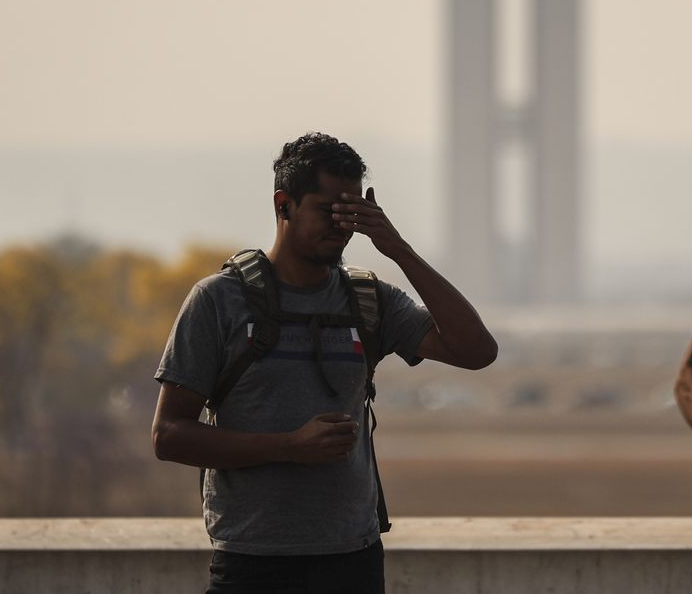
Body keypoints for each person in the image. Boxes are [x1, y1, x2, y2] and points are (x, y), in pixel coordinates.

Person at [151, 133, 498, 593]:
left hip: (352, 560)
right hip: (253, 563)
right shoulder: (220, 301)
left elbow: (477, 351)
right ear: (284, 205)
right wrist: (288, 446)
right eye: (327, 209)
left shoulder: (368, 300)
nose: (341, 225)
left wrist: (398, 249)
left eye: (351, 212)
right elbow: (169, 435)